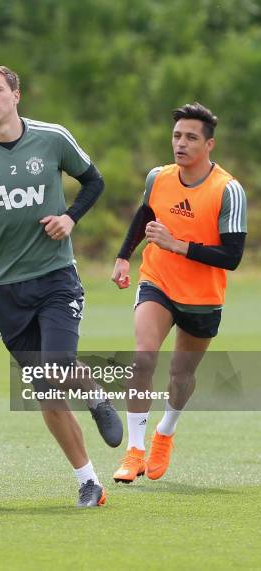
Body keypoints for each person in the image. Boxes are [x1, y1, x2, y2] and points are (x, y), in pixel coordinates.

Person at [0, 62, 123, 508]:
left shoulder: (52, 138)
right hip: (4, 288)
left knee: (59, 365)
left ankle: (96, 397)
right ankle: (89, 482)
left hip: (56, 278)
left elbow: (94, 181)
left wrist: (70, 217)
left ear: (15, 95)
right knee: (45, 390)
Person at [111, 102, 246, 483]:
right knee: (143, 359)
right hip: (158, 281)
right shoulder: (159, 177)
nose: (180, 143)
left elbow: (232, 257)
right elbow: (145, 214)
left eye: (190, 137)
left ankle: (165, 432)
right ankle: (134, 451)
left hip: (202, 297)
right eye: (176, 136)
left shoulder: (229, 191)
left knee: (181, 374)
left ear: (209, 145)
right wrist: (123, 257)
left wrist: (178, 244)